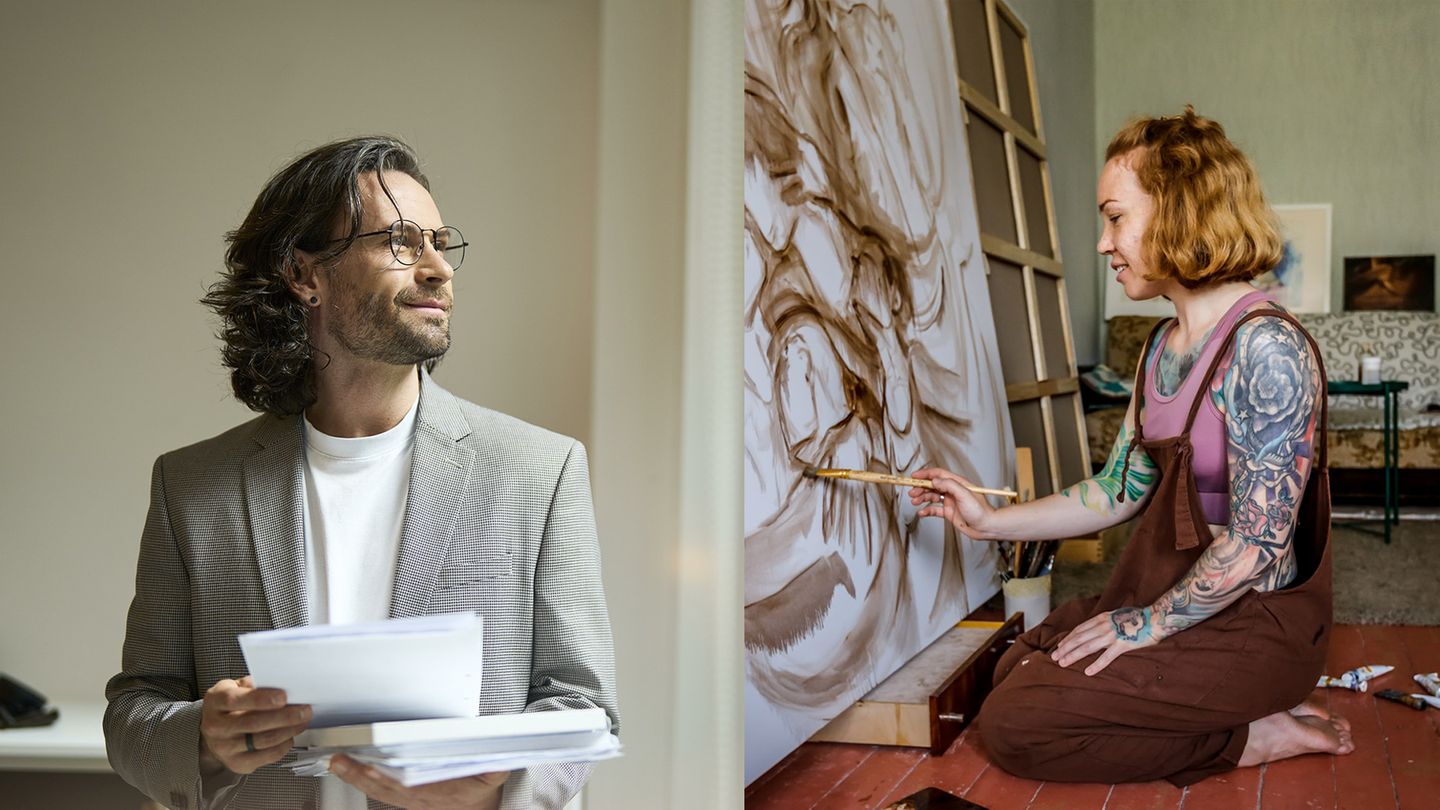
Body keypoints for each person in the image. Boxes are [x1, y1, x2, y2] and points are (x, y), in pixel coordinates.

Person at [103, 136, 618, 810]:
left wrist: (494, 796)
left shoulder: (539, 471)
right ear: (305, 275)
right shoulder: (192, 487)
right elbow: (134, 713)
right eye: (401, 242)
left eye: (440, 242)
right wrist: (202, 734)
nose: (438, 269)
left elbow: (584, 707)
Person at [910, 107, 1353, 786]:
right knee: (1013, 665)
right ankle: (1225, 717)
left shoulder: (1266, 347)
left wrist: (1143, 626)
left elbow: (1257, 545)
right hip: (1177, 594)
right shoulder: (1158, 348)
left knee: (1014, 726)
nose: (1102, 243)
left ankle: (1250, 735)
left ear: (1180, 210)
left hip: (1255, 624)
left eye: (1115, 217)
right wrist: (989, 520)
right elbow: (1117, 488)